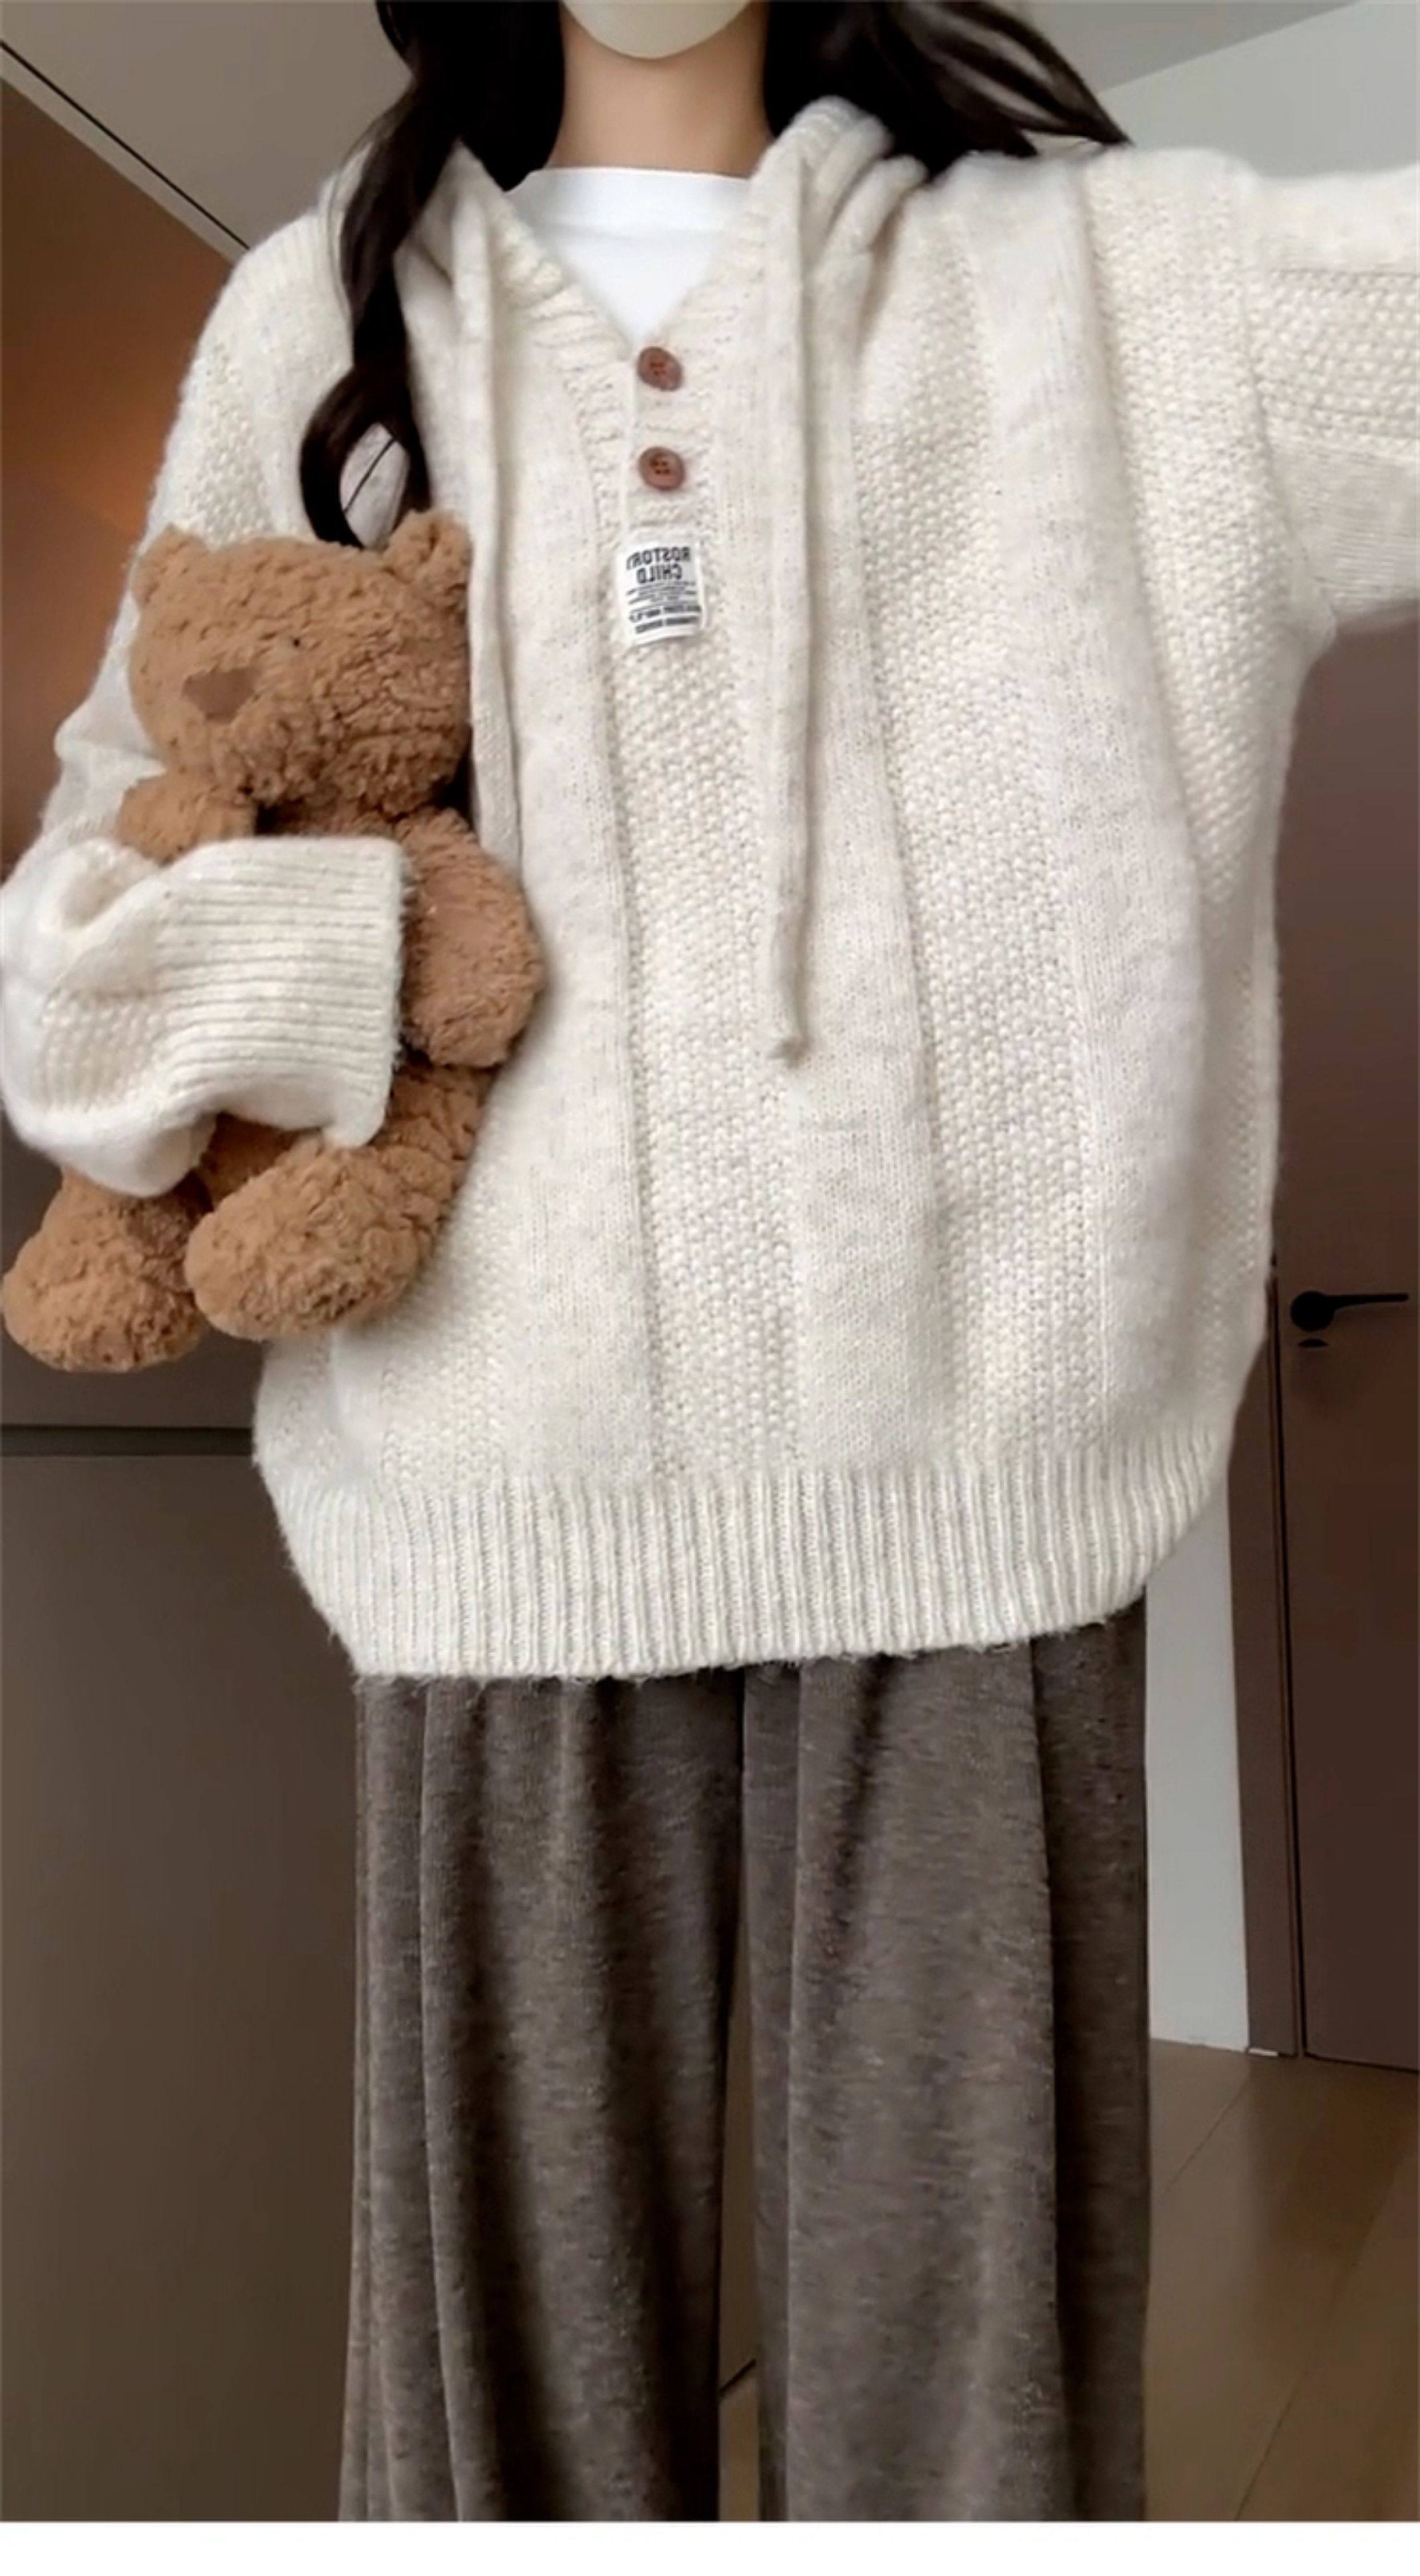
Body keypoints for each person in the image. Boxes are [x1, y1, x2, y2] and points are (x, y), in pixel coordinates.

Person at [1, 0, 1415, 2523]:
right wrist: (344, 963)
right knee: (506, 2431)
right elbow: (83, 925)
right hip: (490, 1512)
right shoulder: (321, 311)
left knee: (967, 2426)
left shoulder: (1106, 281)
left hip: (978, 1500)